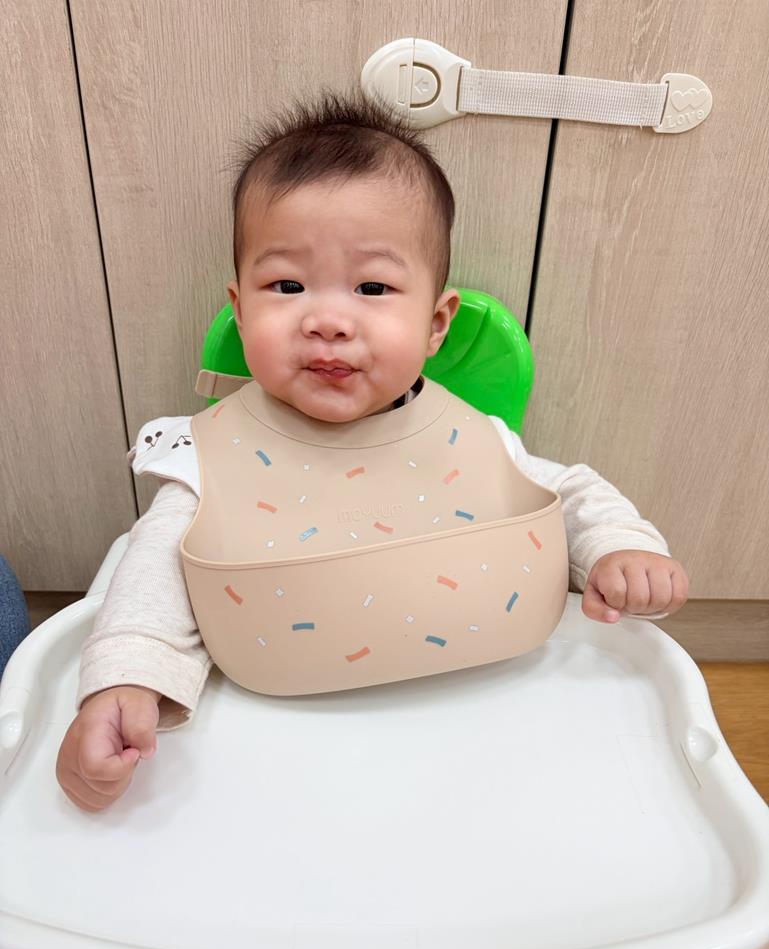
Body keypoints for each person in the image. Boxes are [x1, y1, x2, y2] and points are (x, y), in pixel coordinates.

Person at [56, 93, 688, 811]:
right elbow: (153, 577)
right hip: (277, 749)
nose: (328, 320)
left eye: (373, 287)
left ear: (436, 323)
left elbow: (564, 493)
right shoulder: (208, 455)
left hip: (481, 734)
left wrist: (619, 548)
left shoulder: (472, 436)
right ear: (240, 308)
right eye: (286, 285)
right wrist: (126, 682)